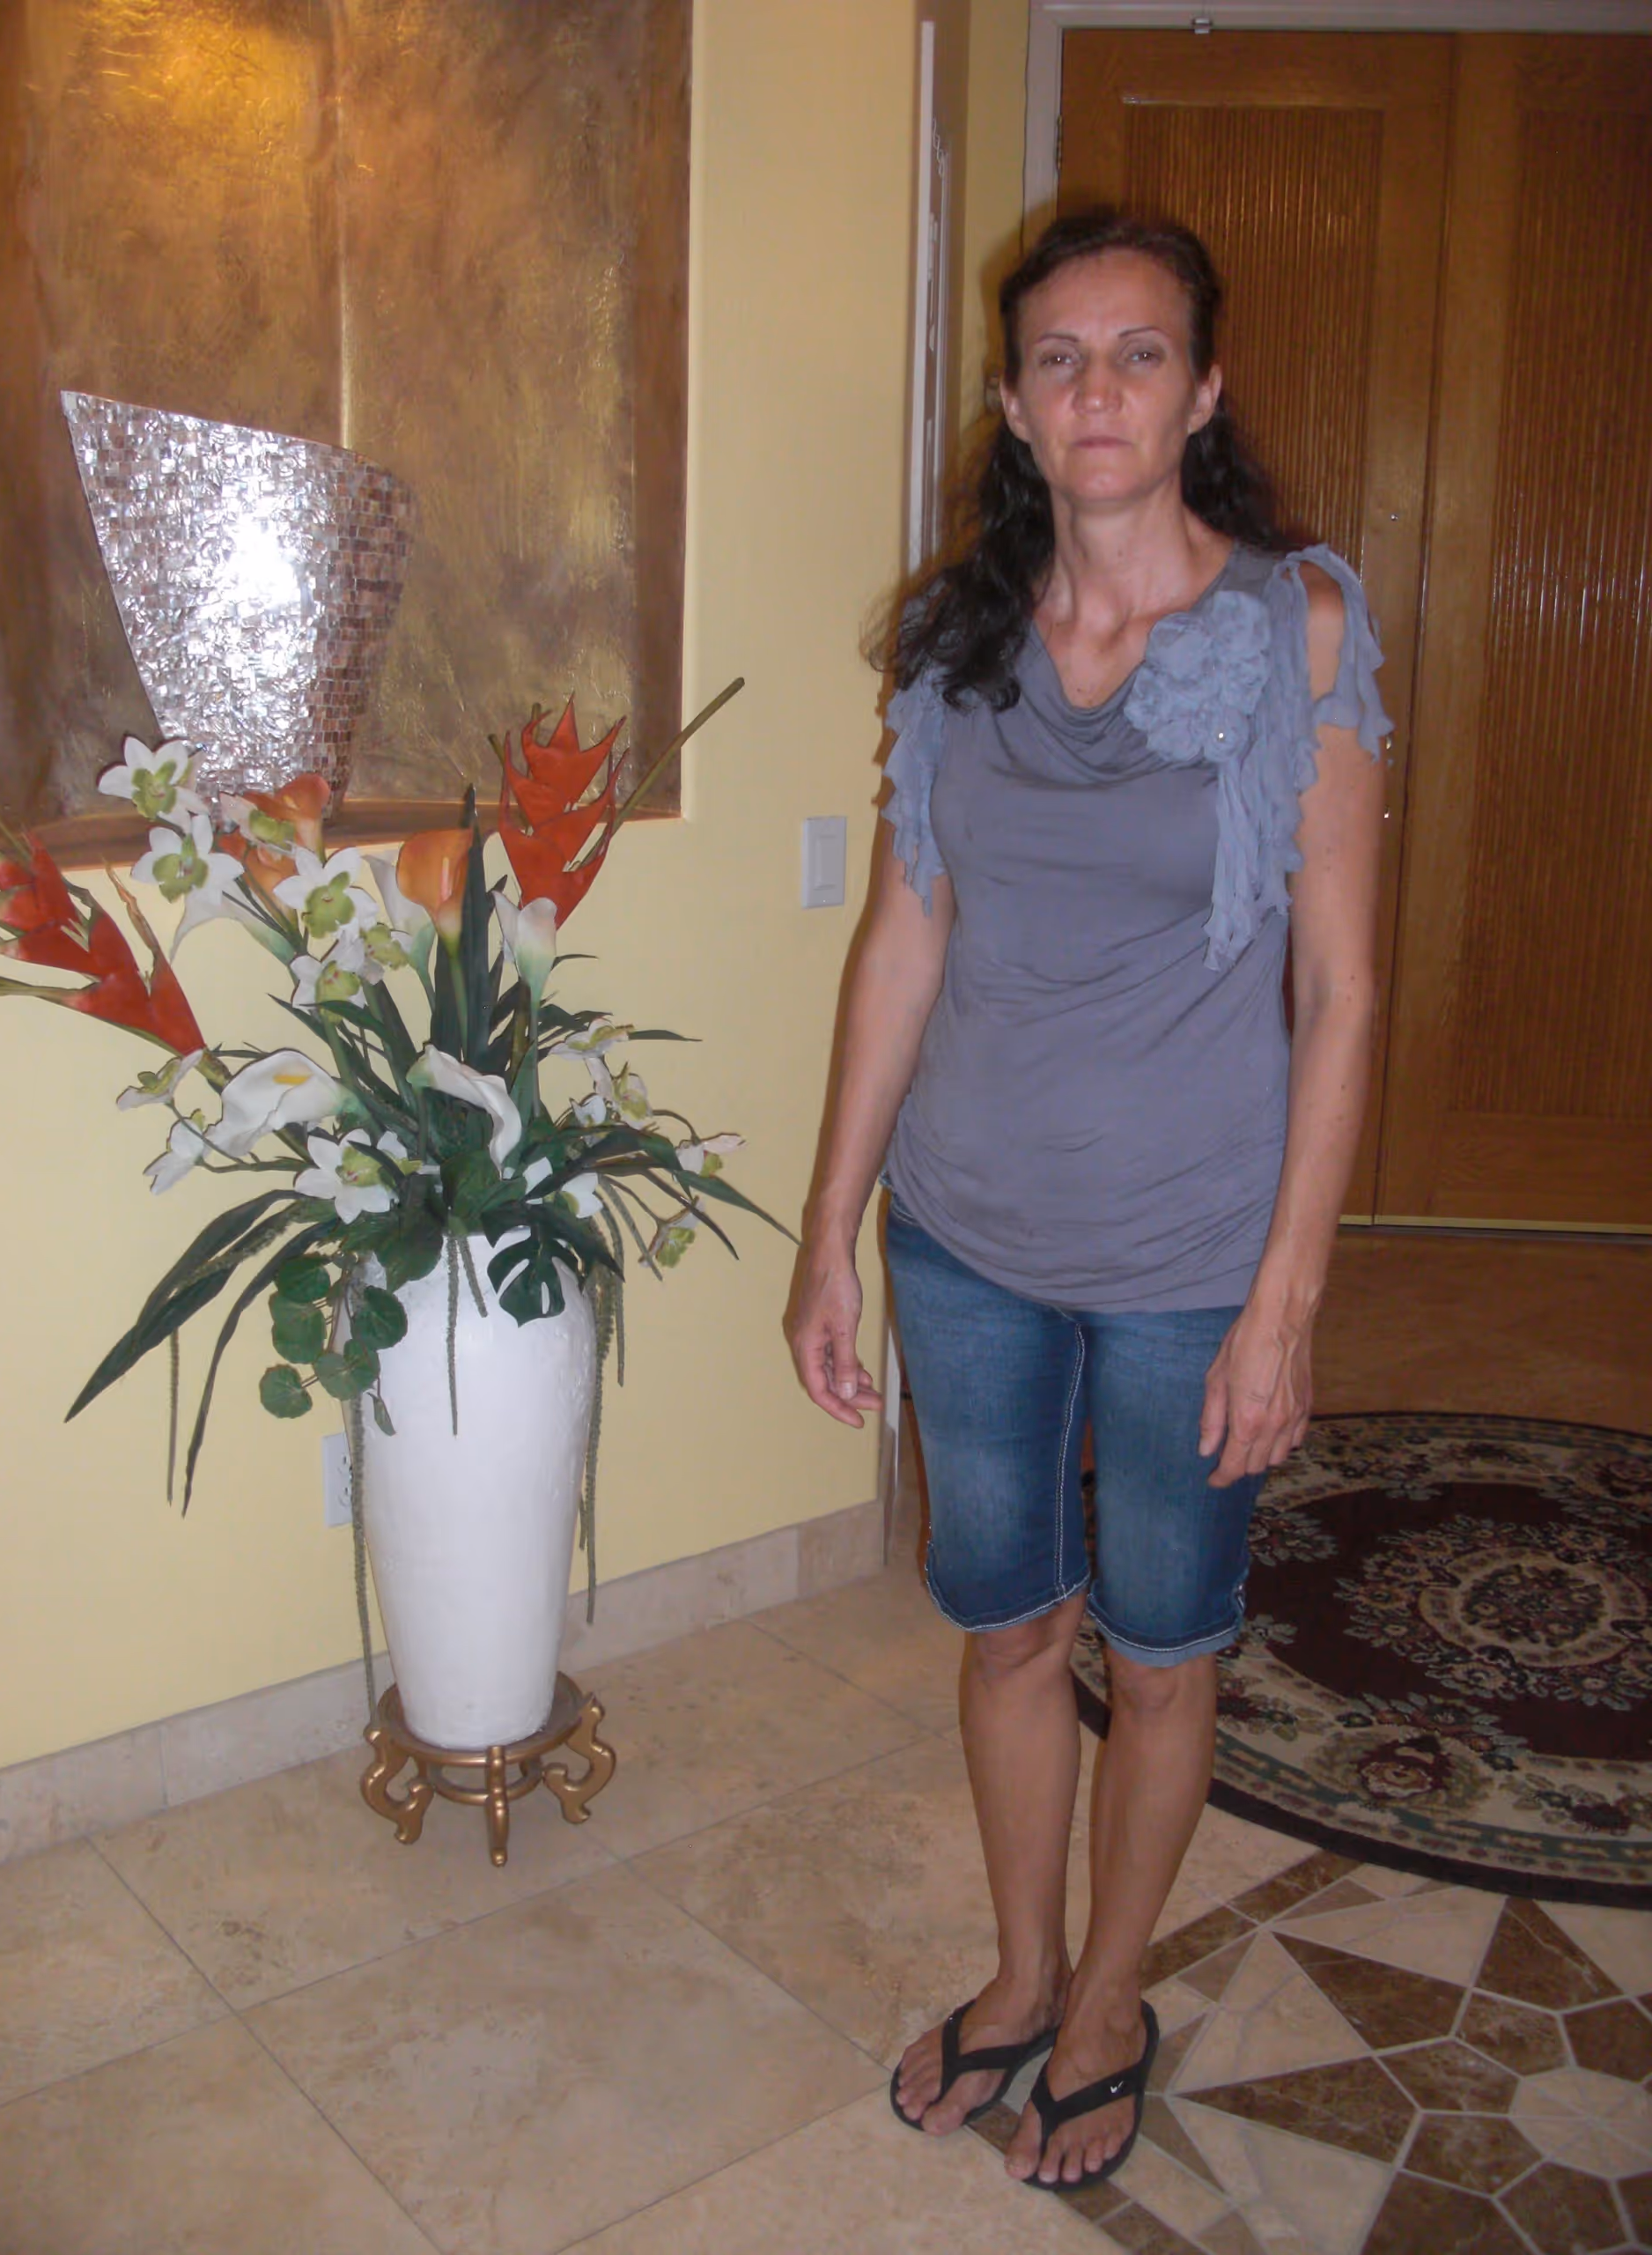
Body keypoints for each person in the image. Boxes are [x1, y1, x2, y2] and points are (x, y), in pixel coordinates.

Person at [787, 208, 1388, 2197]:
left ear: (1201, 390)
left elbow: (1343, 984)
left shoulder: (1296, 626)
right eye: (1061, 358)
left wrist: (1285, 1295)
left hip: (1187, 1261)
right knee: (1006, 1630)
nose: (1100, 390)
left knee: (1165, 1641)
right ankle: (1025, 1965)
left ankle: (1117, 1991)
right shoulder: (953, 644)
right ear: (1016, 405)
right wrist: (828, 1230)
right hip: (963, 1235)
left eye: (1140, 354)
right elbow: (903, 939)